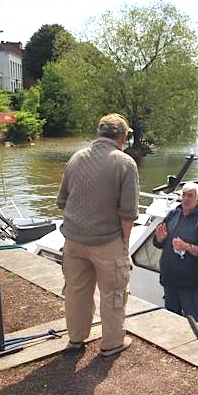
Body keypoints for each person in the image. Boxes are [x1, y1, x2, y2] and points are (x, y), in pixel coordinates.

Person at [56, 113, 138, 356]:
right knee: (113, 293)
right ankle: (111, 343)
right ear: (123, 136)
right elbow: (128, 213)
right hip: (107, 241)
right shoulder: (125, 163)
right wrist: (124, 245)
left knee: (76, 291)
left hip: (73, 239)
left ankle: (76, 339)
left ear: (99, 133)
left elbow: (62, 200)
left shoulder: (76, 158)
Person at [152, 182, 198, 323]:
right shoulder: (172, 215)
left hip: (189, 284)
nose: (186, 198)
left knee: (192, 320)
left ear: (197, 200)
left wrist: (187, 247)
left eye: (190, 196)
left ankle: (194, 344)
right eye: (184, 195)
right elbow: (157, 243)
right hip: (169, 279)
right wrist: (159, 238)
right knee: (171, 319)